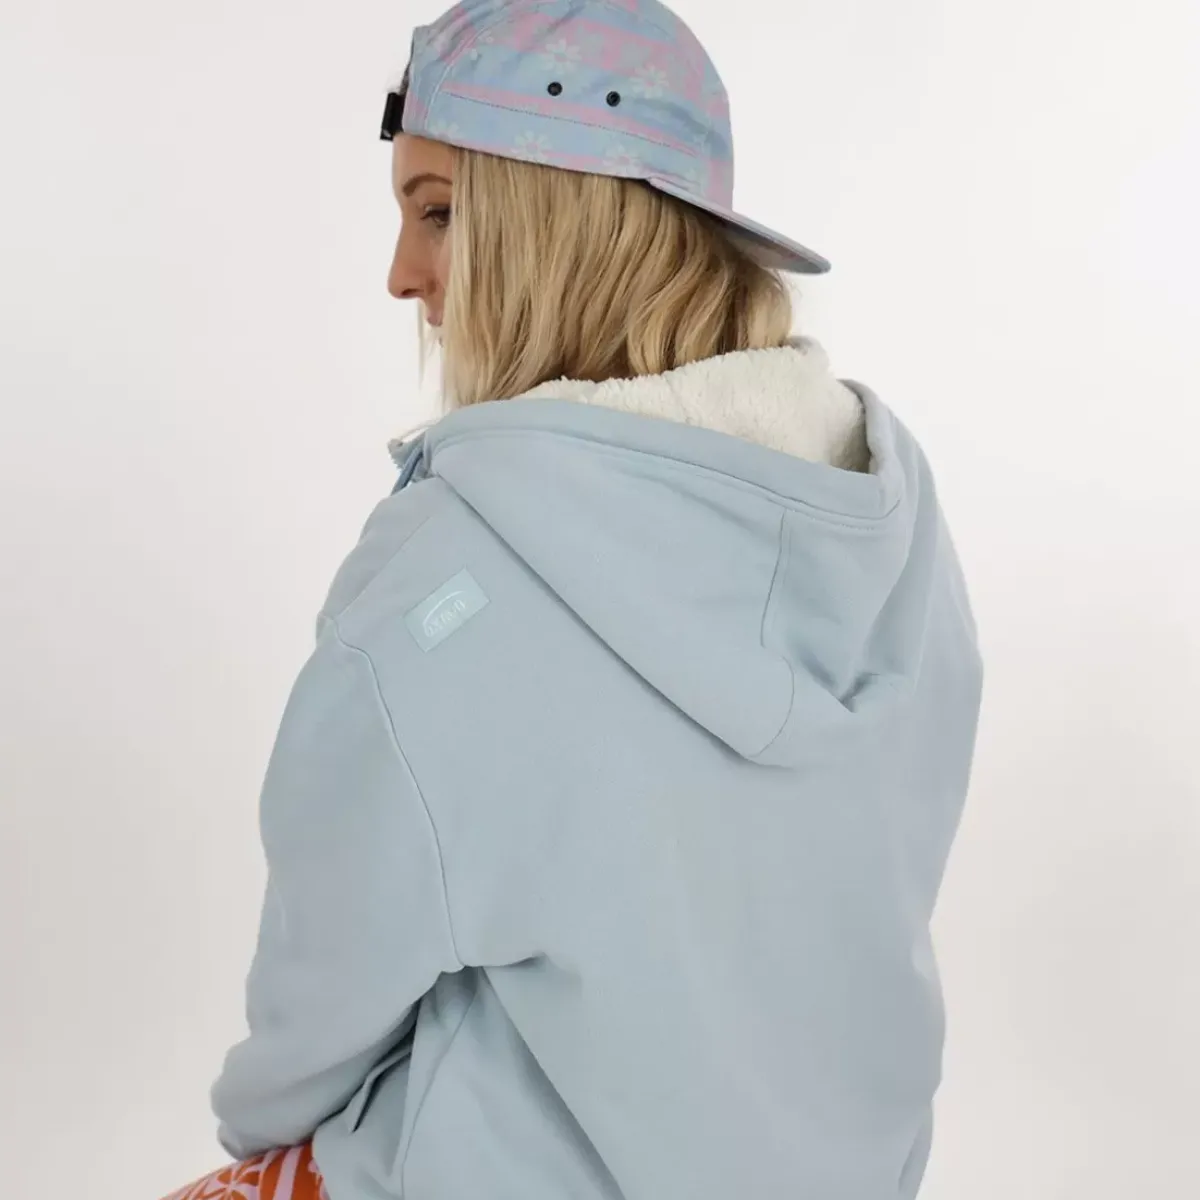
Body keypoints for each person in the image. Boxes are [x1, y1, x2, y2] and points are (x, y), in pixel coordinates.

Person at [161, 1, 983, 1198]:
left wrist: (259, 1132)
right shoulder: (892, 527)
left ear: (553, 222)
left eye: (439, 212)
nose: (401, 274)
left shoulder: (457, 569)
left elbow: (319, 997)